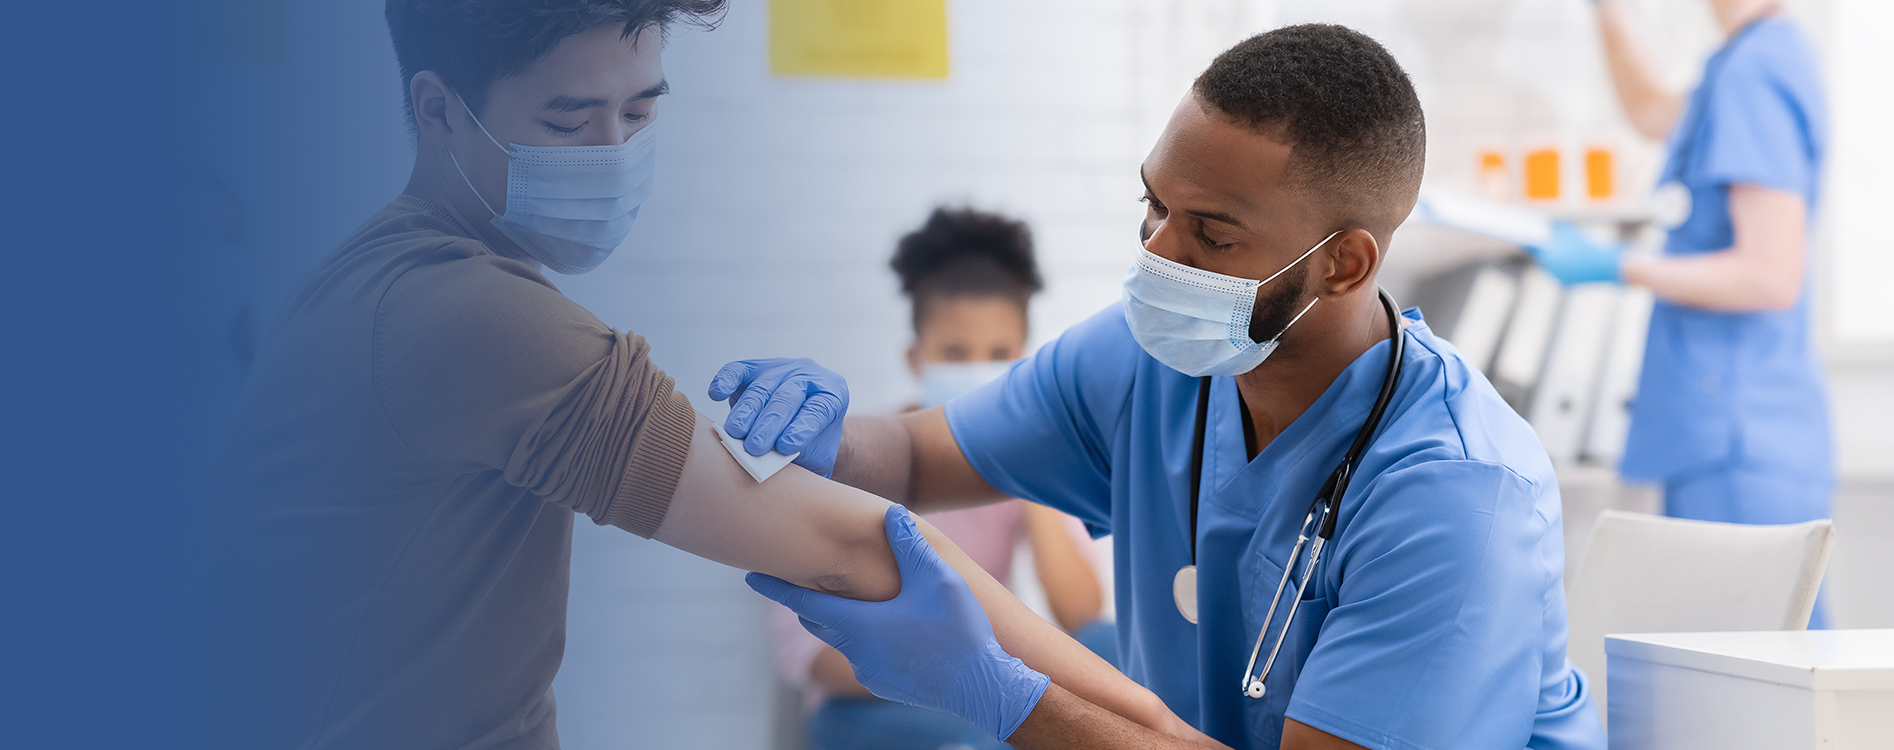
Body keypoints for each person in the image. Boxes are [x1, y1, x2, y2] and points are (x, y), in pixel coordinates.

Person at [187, 2, 1212, 748]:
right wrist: (1162, 736)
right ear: (439, 109)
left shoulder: (380, 280)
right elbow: (857, 543)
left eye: (639, 112)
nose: (611, 150)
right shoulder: (471, 320)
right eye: (566, 120)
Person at [738, 24, 1606, 750]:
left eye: (1211, 234)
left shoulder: (1457, 496)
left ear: (1344, 263)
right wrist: (832, 437)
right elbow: (916, 461)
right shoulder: (1140, 362)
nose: (1157, 252)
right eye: (1153, 205)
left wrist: (1001, 695)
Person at [1528, 0, 1832, 624]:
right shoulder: (1746, 59)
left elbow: (1770, 274)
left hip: (1736, 431)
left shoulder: (1754, 71)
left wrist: (1619, 265)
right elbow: (1649, 110)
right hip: (1731, 425)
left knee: (1751, 681)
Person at [773, 206, 1118, 750]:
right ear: (917, 358)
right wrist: (956, 680)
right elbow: (808, 656)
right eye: (956, 354)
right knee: (1002, 733)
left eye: (999, 356)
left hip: (986, 695)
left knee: (1112, 651)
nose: (978, 371)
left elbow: (1081, 616)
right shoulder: (857, 459)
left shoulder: (1027, 460)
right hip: (874, 709)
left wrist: (1026, 470)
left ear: (1025, 362)